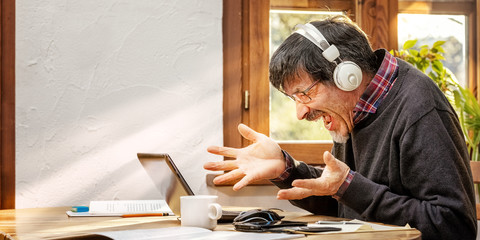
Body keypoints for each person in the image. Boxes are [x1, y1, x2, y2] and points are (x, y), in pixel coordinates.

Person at [204, 15, 477, 240]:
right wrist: (286, 168)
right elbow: (351, 206)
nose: (300, 113)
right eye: (294, 99)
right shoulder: (353, 110)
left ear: (347, 75)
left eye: (305, 94)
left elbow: (454, 227)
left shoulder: (420, 109)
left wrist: (349, 186)